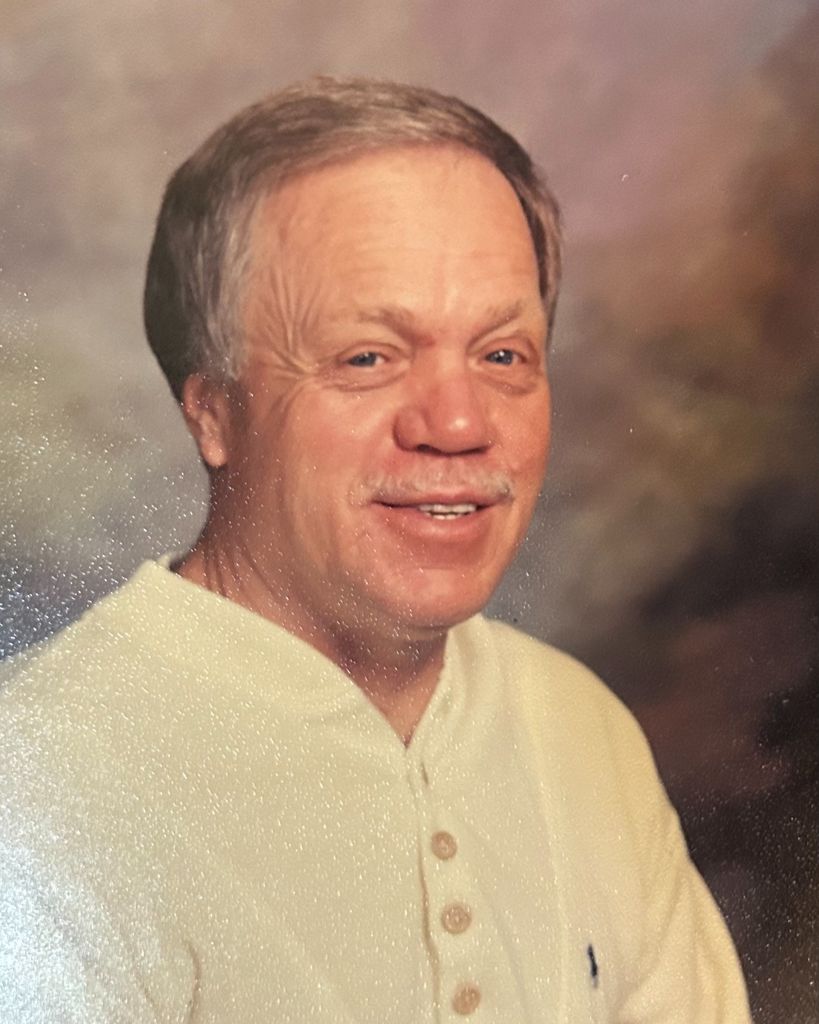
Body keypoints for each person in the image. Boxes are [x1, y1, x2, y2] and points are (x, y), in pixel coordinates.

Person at [0, 77, 750, 1023]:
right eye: (367, 358)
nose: (459, 424)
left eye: (503, 355)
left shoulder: (579, 726)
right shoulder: (37, 786)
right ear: (213, 412)